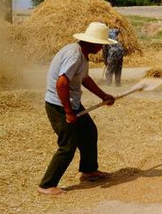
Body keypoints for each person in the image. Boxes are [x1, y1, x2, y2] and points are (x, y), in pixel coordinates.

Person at [38, 22, 117, 195]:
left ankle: (89, 171)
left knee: (89, 131)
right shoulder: (74, 56)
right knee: (68, 145)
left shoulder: (81, 53)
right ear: (92, 42)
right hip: (59, 104)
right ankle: (46, 185)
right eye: (101, 43)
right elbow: (61, 83)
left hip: (70, 103)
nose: (102, 47)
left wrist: (103, 96)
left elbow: (84, 79)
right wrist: (68, 111)